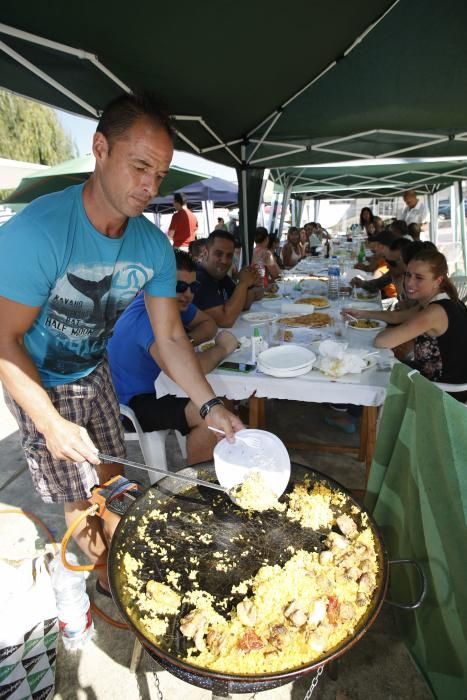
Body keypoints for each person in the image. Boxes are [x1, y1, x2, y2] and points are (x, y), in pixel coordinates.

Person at [0, 92, 241, 595]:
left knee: (113, 480)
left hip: (94, 369)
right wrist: (49, 422)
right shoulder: (37, 233)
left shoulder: (151, 246)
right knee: (76, 494)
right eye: (140, 167)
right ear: (100, 149)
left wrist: (210, 403)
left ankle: (122, 567)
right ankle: (110, 580)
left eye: (161, 174)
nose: (150, 186)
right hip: (37, 377)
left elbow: (171, 334)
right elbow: (5, 339)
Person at [108, 250, 239, 464]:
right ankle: (199, 486)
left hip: (160, 387)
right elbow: (193, 368)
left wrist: (185, 341)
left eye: (193, 287)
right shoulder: (146, 316)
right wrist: (223, 348)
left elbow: (208, 324)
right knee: (208, 416)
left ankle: (223, 463)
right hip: (132, 403)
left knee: (222, 400)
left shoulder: (171, 304)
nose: (187, 294)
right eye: (178, 286)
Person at [346, 248, 467, 400]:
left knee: (368, 366)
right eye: (408, 275)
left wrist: (381, 329)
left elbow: (382, 341)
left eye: (419, 278)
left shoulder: (435, 312)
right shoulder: (441, 300)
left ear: (438, 280)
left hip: (444, 393)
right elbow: (396, 317)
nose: (409, 282)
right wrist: (361, 314)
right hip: (442, 380)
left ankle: (357, 413)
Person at [193, 230, 262, 327]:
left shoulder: (220, 275)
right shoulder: (198, 278)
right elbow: (226, 321)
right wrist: (243, 283)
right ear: (205, 253)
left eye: (229, 255)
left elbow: (245, 304)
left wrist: (249, 282)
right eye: (218, 254)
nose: (224, 261)